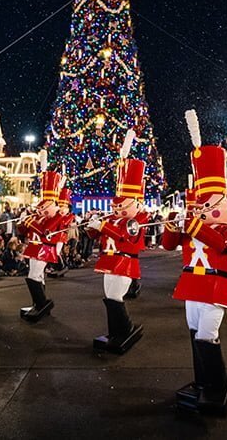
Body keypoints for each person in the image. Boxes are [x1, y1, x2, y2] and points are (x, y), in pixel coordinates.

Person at [161, 120, 227, 416]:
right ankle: (202, 381)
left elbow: (221, 244)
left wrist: (193, 223)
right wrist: (171, 222)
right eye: (202, 203)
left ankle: (215, 383)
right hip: (192, 285)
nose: (204, 207)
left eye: (210, 203)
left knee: (206, 336)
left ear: (226, 202)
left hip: (217, 286)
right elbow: (168, 244)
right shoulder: (196, 224)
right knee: (194, 334)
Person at [87, 137, 148, 353]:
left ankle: (125, 328)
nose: (118, 210)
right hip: (109, 260)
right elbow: (95, 234)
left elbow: (125, 237)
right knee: (109, 297)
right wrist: (92, 224)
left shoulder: (139, 219)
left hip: (125, 261)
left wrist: (104, 225)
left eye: (123, 206)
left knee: (115, 296)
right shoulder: (111, 219)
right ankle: (115, 331)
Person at [17, 166, 66, 322]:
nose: (40, 210)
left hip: (45, 249)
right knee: (36, 275)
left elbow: (45, 231)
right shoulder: (39, 217)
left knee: (33, 276)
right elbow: (24, 232)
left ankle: (42, 303)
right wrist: (23, 222)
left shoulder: (57, 217)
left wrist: (32, 222)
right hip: (34, 247)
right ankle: (37, 303)